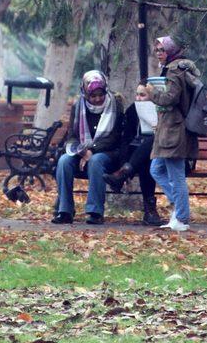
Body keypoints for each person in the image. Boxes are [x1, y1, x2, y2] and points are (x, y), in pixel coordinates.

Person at [52, 69, 125, 225]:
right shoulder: (78, 106)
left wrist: (93, 150)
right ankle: (64, 210)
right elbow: (72, 134)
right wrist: (82, 151)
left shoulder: (115, 103)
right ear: (85, 93)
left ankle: (95, 211)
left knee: (96, 160)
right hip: (82, 151)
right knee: (64, 161)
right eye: (93, 96)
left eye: (100, 94)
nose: (97, 99)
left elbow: (115, 137)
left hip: (109, 153)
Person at [146, 36, 200, 232]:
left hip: (174, 131)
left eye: (162, 49)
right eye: (157, 50)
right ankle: (179, 207)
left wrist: (150, 93)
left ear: (170, 50)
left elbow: (170, 98)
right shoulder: (173, 67)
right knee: (156, 169)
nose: (158, 53)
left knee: (176, 175)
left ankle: (182, 217)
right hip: (168, 129)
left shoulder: (175, 69)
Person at [104, 82, 161, 226]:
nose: (138, 98)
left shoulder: (163, 111)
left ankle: (122, 175)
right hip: (138, 157)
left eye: (143, 95)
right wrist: (123, 162)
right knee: (145, 161)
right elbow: (125, 139)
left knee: (149, 152)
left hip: (164, 154)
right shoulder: (132, 110)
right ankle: (150, 210)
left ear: (153, 97)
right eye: (137, 94)